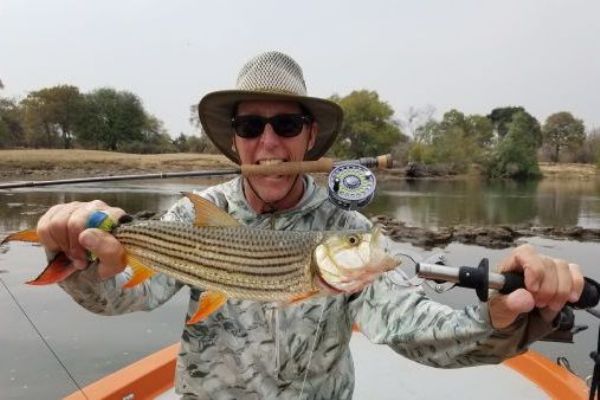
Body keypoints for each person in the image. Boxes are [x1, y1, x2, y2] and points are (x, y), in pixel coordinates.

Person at [37, 51, 584, 399]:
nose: (269, 142)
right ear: (234, 142)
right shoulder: (193, 214)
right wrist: (83, 260)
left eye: (287, 124)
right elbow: (124, 297)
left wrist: (500, 321)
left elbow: (409, 322)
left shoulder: (347, 229)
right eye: (252, 125)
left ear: (309, 137)